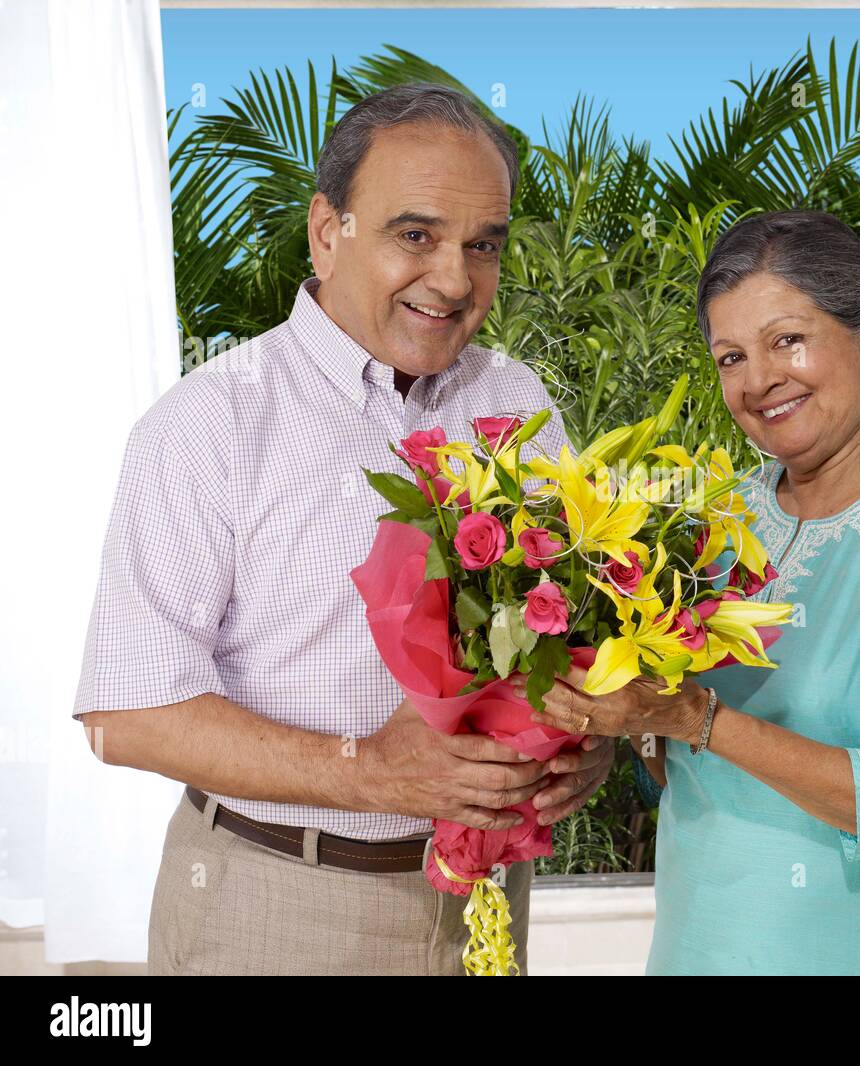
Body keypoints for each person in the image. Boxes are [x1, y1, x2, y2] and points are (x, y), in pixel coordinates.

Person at [73, 84, 613, 976]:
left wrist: (579, 752)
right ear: (329, 232)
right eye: (417, 235)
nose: (453, 278)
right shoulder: (207, 424)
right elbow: (125, 716)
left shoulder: (517, 402)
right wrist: (369, 770)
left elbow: (566, 627)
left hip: (484, 903)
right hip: (278, 904)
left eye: (484, 245)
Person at [528, 209, 860, 975]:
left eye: (787, 340)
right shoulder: (716, 518)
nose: (758, 381)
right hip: (705, 945)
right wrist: (613, 715)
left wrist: (695, 716)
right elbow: (677, 768)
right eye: (730, 357)